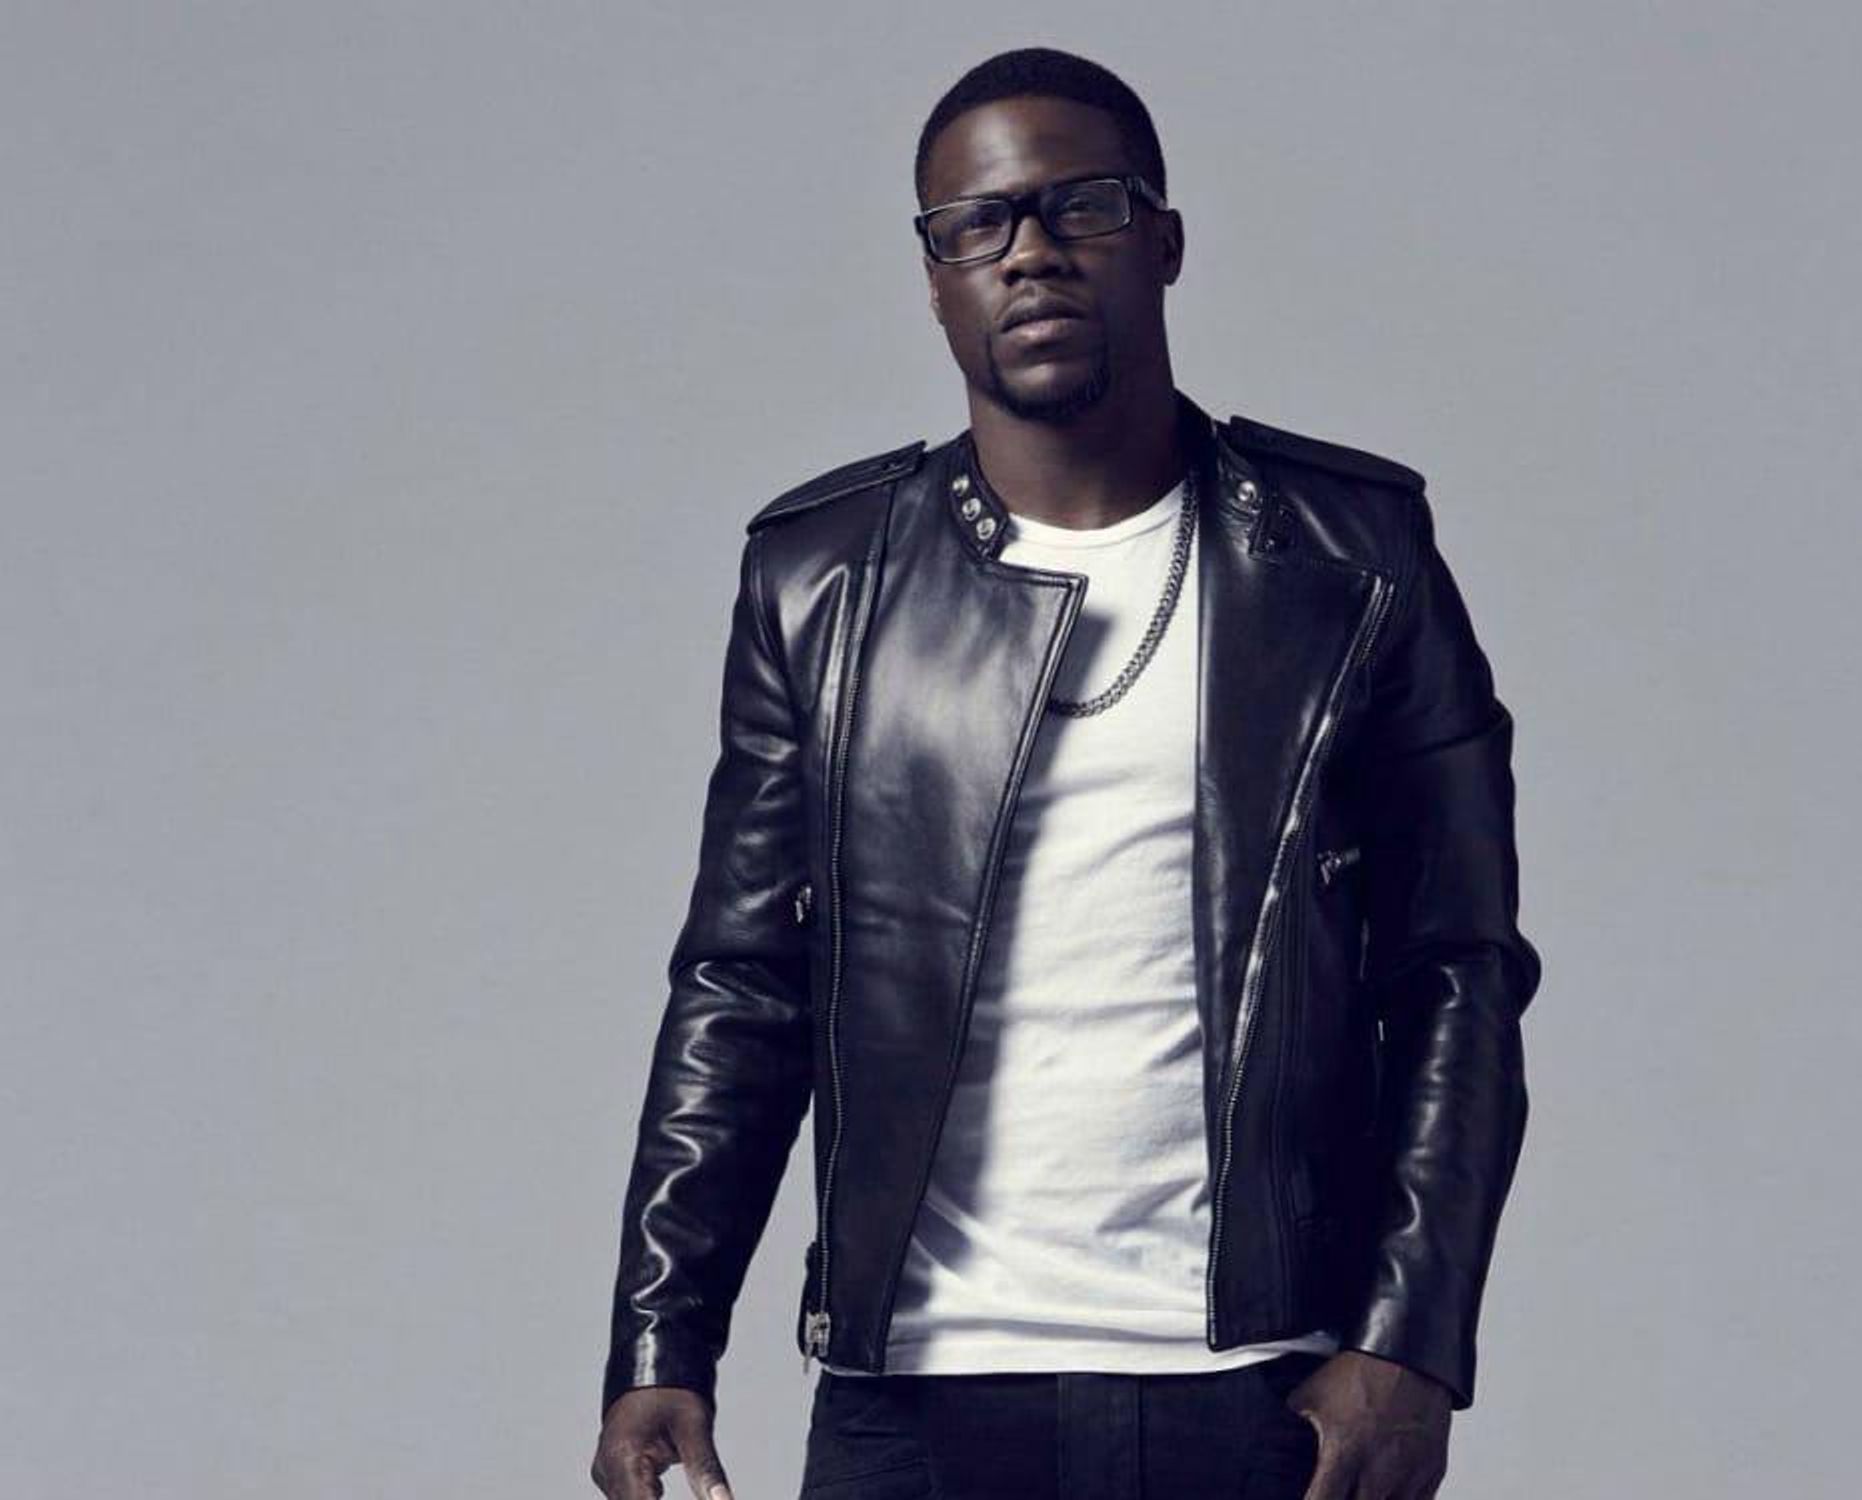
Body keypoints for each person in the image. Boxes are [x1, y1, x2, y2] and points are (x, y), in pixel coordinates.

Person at [589, 45, 1541, 1500]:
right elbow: (744, 982)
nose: (1028, 251)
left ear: (1164, 240)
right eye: (976, 223)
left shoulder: (1354, 557)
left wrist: (1412, 1343)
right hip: (914, 1403)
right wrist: (663, 1339)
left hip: (1265, 1398)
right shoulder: (822, 581)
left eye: (1078, 205)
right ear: (935, 280)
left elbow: (1457, 970)